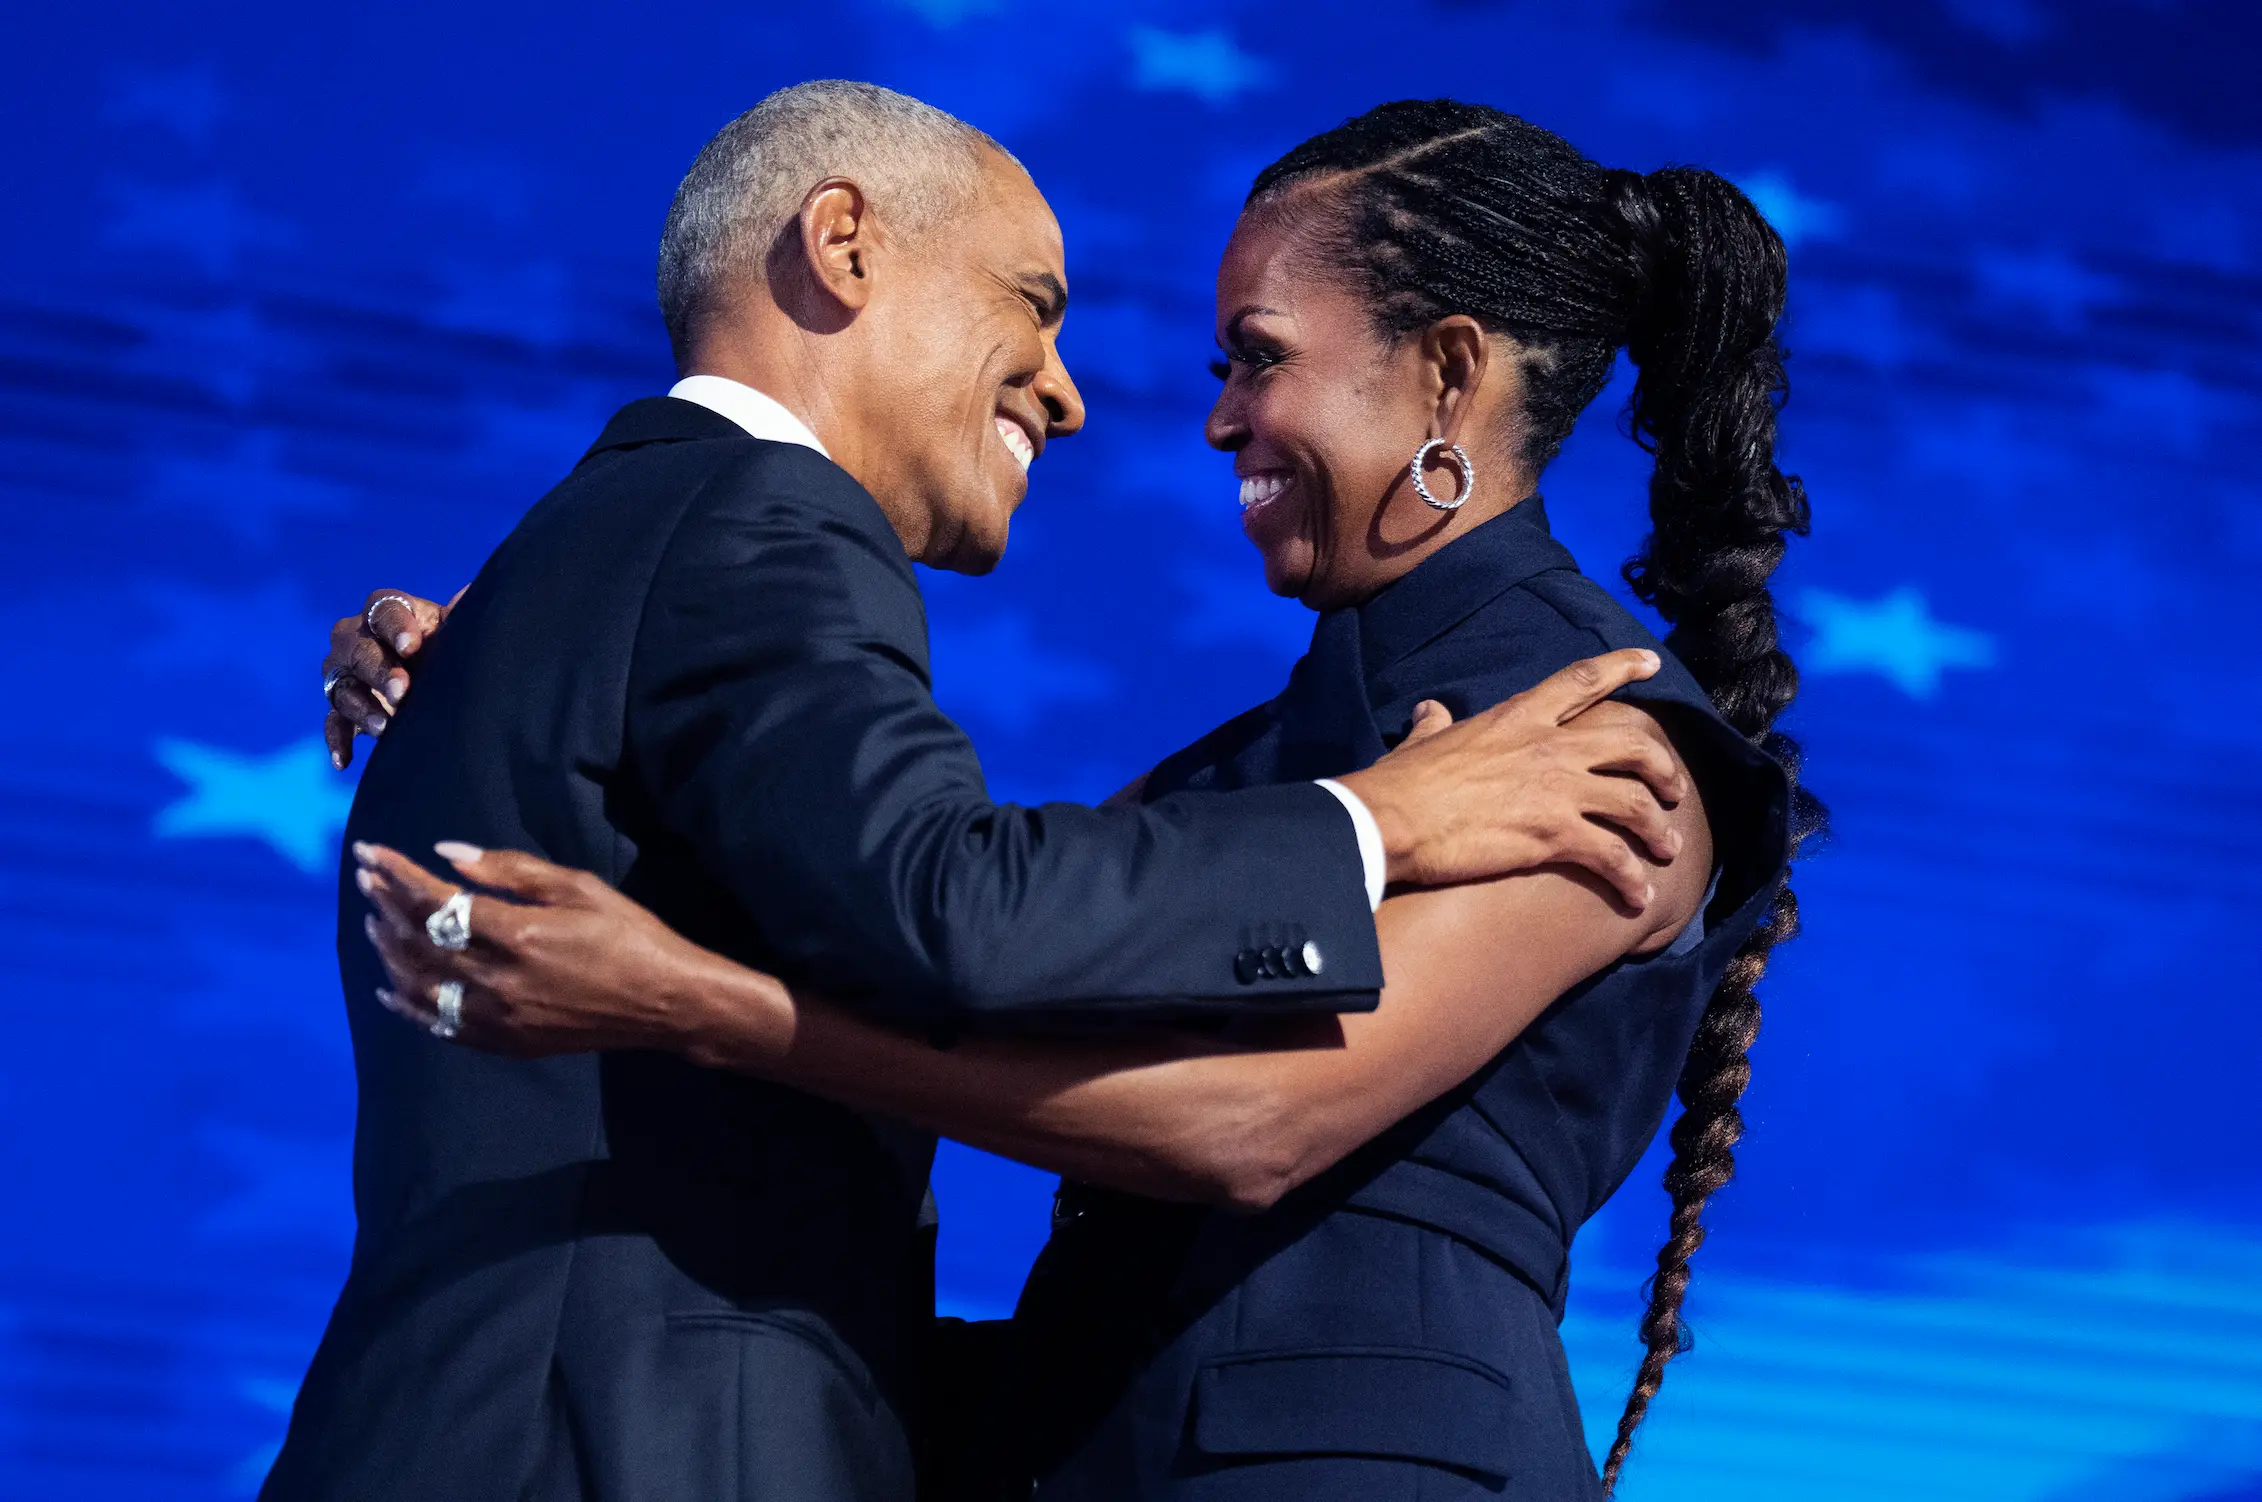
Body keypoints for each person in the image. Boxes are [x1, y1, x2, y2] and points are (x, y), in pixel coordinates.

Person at [343, 99, 1818, 1499]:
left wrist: (701, 1004)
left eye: (1256, 357)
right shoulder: (1255, 769)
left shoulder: (1592, 740)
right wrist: (541, 665)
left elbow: (1250, 1125)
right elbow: (946, 921)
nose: (1216, 421)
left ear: (1447, 373)